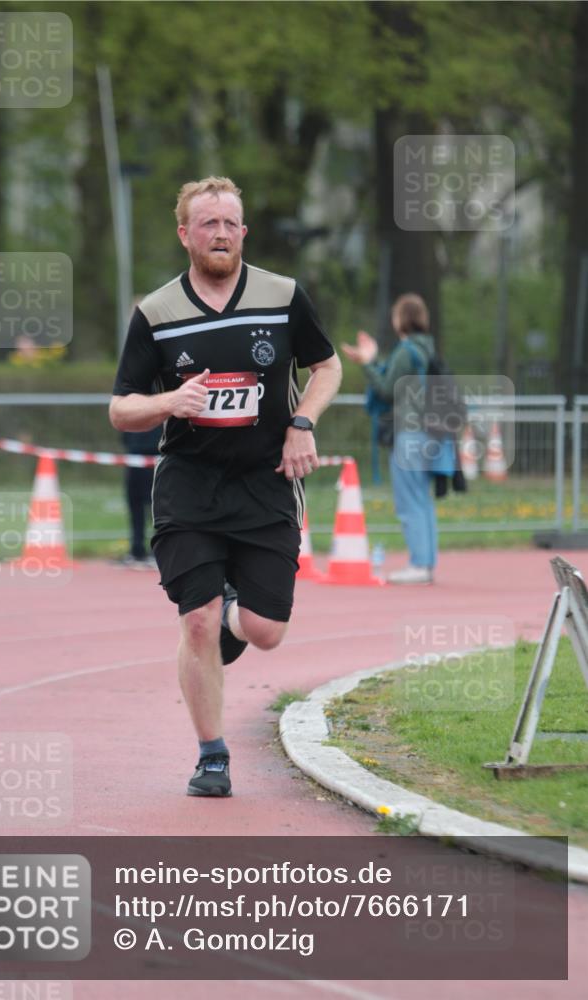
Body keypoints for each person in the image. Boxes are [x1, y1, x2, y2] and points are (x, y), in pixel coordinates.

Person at [109, 176, 342, 797]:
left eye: (229, 223)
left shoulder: (283, 296)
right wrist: (169, 401)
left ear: (243, 232)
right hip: (189, 486)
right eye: (206, 223)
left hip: (266, 483)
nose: (220, 233)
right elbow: (120, 409)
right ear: (185, 234)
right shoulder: (155, 313)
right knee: (197, 622)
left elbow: (328, 365)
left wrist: (302, 422)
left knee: (265, 630)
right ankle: (212, 755)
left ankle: (233, 620)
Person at [342, 293, 442, 585]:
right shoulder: (427, 348)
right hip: (427, 431)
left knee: (409, 501)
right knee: (422, 499)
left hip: (408, 432)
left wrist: (368, 364)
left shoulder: (406, 350)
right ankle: (426, 562)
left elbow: (387, 389)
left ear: (401, 319)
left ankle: (418, 564)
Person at [113, 428, 162, 570]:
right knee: (135, 503)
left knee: (157, 506)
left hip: (157, 457)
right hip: (133, 456)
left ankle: (158, 551)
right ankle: (136, 550)